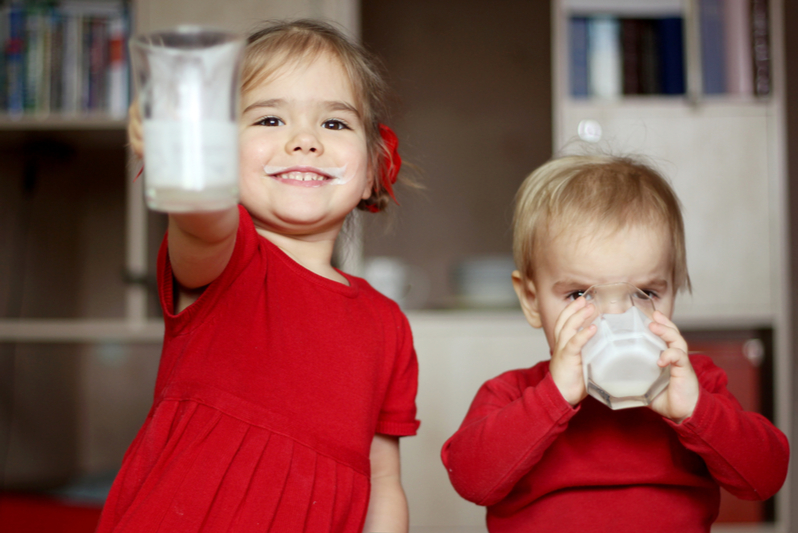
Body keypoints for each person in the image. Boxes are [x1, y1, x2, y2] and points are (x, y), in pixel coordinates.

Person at [97, 20, 419, 533]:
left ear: (372, 172)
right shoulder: (227, 258)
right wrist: (184, 158)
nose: (304, 140)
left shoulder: (389, 326)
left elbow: (383, 482)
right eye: (269, 120)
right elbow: (203, 221)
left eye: (334, 124)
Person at [440, 155, 789, 532]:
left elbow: (766, 479)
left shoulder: (694, 386)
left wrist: (695, 411)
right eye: (578, 295)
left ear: (673, 288)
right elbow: (471, 481)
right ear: (531, 300)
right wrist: (551, 399)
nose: (616, 318)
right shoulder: (512, 394)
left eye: (645, 292)